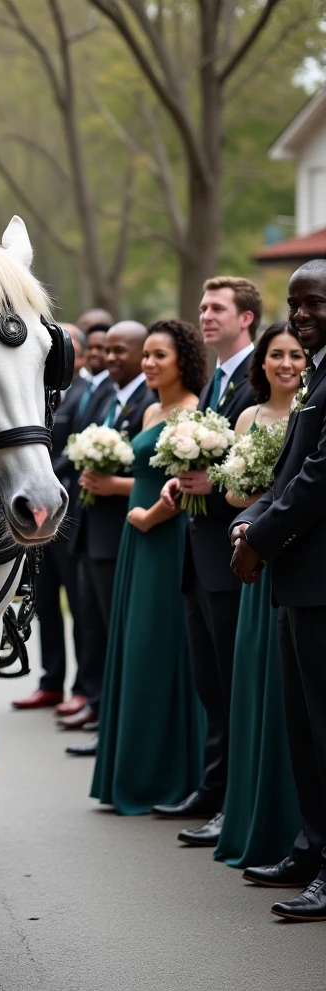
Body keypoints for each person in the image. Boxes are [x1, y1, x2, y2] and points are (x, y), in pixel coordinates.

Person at [230, 260, 326, 922]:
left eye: (312, 304)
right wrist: (255, 525)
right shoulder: (321, 372)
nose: (299, 315)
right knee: (303, 726)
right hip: (302, 578)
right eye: (294, 305)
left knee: (324, 727)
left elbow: (320, 476)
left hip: (321, 579)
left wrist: (260, 536)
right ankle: (311, 845)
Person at [186, 324, 303, 860]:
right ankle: (243, 805)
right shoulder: (249, 417)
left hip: (294, 557)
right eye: (276, 354)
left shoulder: (310, 411)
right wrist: (258, 499)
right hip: (254, 557)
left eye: (295, 354)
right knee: (247, 692)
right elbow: (231, 492)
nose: (285, 363)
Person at [90, 320, 208, 813]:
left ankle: (167, 776)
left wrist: (146, 515)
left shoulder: (193, 412)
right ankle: (131, 772)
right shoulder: (151, 412)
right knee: (134, 651)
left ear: (183, 359)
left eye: (160, 355)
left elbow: (187, 486)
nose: (149, 364)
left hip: (162, 537)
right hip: (138, 541)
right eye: (148, 356)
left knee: (159, 650)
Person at [154, 278, 259, 827]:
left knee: (231, 683)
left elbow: (258, 466)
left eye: (217, 307)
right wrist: (181, 481)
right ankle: (212, 787)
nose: (206, 315)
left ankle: (232, 800)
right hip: (196, 555)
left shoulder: (256, 376)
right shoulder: (215, 381)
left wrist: (212, 485)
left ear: (245, 318)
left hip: (233, 555)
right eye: (202, 307)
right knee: (209, 681)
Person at [63, 322, 155, 754]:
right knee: (92, 623)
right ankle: (98, 704)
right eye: (109, 351)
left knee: (114, 627)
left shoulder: (147, 401)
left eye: (122, 350)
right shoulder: (106, 395)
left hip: (120, 530)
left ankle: (109, 716)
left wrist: (112, 485)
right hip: (89, 527)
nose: (113, 357)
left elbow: (146, 473)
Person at [13, 324, 86, 710]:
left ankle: (83, 688)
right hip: (32, 509)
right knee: (44, 602)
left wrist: (43, 478)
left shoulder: (84, 393)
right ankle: (51, 681)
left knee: (78, 605)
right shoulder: (28, 388)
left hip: (65, 509)